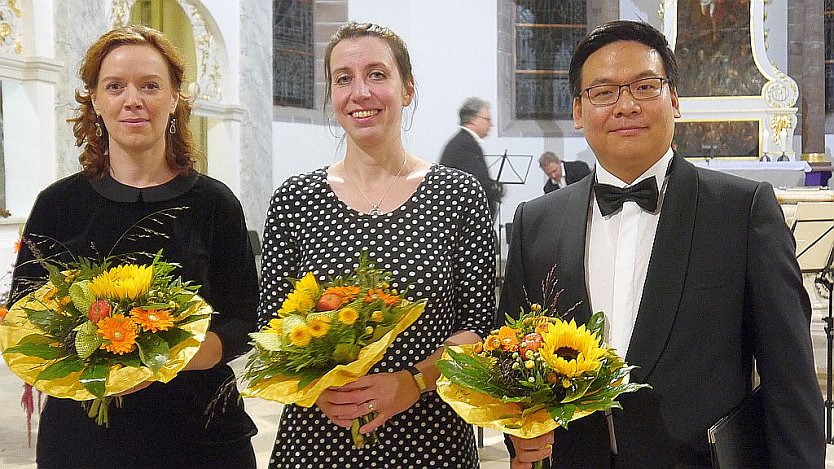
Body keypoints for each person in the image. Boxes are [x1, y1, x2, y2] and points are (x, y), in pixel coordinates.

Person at [499, 20, 824, 468]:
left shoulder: (742, 211)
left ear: (674, 99)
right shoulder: (536, 221)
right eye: (604, 92)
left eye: (644, 86)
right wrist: (518, 431)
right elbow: (509, 357)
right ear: (578, 111)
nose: (625, 105)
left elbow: (791, 384)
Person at [9, 25, 259, 468]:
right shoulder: (58, 204)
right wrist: (96, 362)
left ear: (175, 98)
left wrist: (169, 358)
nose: (133, 100)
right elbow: (25, 324)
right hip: (84, 441)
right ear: (96, 100)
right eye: (115, 86)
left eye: (150, 85)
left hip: (199, 437)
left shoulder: (213, 203)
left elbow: (244, 320)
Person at [258, 22, 495, 468]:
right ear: (331, 95)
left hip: (431, 433)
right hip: (317, 436)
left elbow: (478, 326)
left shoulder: (457, 195)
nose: (360, 92)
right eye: (343, 78)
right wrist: (312, 384)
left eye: (377, 74)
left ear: (407, 89)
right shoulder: (295, 199)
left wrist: (413, 382)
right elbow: (271, 323)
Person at [439, 97, 503, 221]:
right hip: (466, 224)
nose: (491, 125)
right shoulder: (465, 144)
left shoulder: (463, 141)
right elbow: (475, 184)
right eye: (487, 120)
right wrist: (497, 188)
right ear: (473, 119)